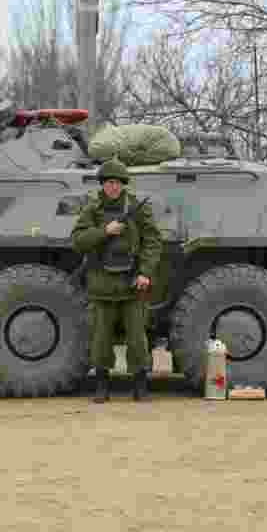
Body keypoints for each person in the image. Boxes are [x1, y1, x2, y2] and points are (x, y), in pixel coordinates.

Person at [71, 157, 161, 403]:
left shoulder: (136, 207)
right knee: (100, 339)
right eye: (109, 182)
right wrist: (105, 231)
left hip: (132, 284)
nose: (113, 187)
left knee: (137, 338)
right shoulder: (93, 208)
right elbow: (78, 240)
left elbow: (152, 241)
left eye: (117, 182)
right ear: (102, 184)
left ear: (123, 184)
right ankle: (102, 386)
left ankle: (140, 385)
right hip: (101, 284)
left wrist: (145, 272)